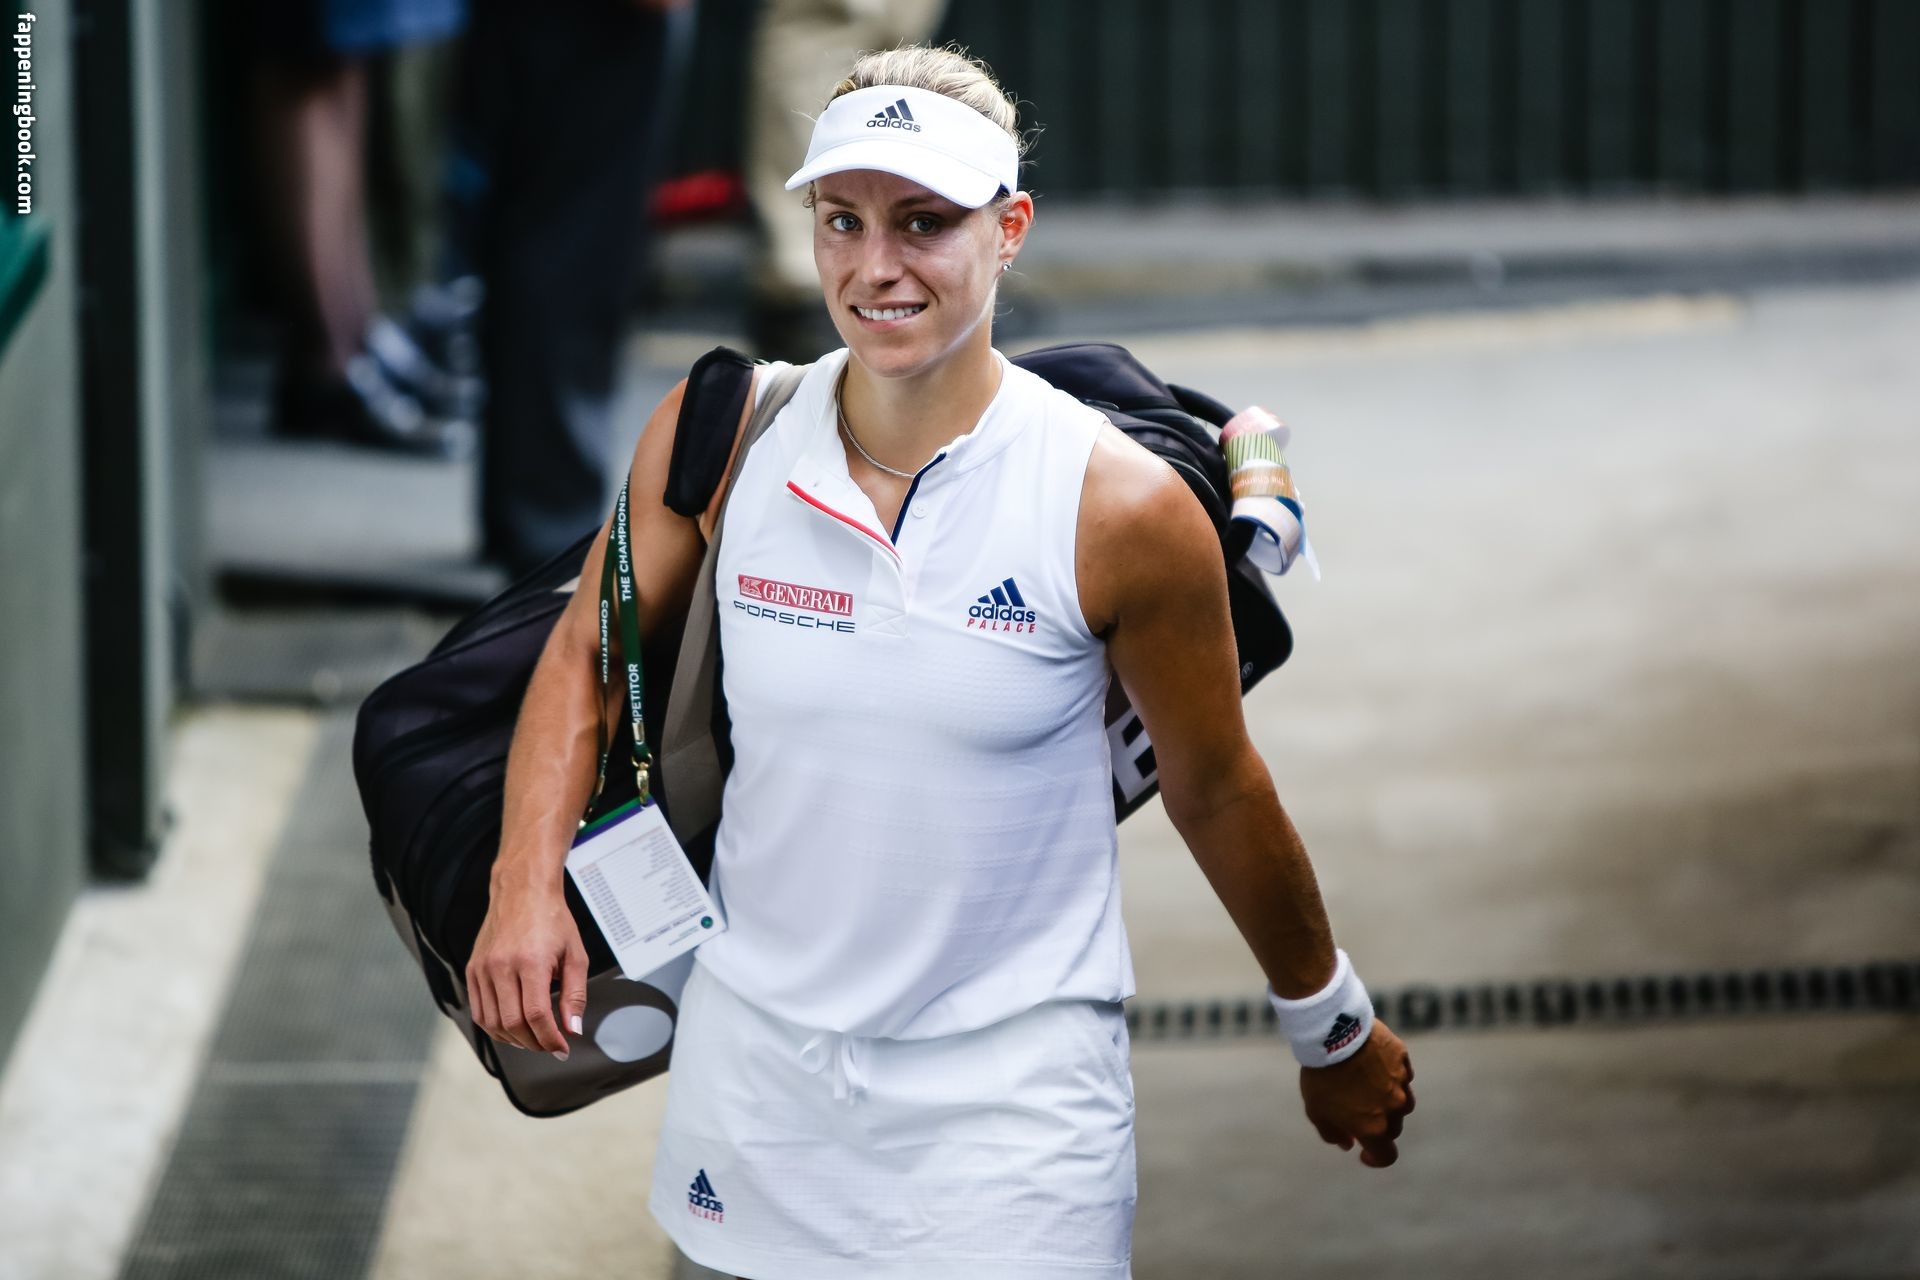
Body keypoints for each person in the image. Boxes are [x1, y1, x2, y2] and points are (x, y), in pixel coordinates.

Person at [467, 43, 1415, 1278]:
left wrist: (1328, 1022)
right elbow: (585, 662)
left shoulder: (1116, 506)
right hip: (755, 1098)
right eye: (842, 220)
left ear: (1009, 230)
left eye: (924, 222)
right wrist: (522, 884)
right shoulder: (722, 438)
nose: (876, 266)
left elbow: (1218, 784)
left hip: (1016, 1123)